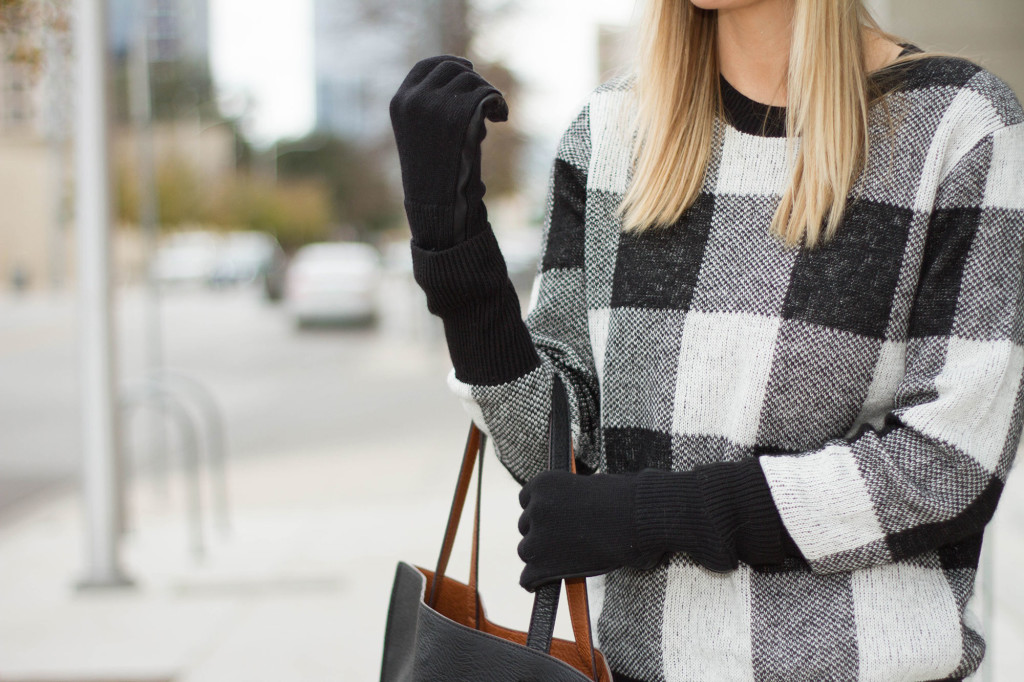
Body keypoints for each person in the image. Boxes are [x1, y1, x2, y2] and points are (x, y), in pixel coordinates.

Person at [389, 1, 1024, 680]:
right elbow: (560, 460)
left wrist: (654, 515)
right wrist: (457, 261)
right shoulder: (612, 131)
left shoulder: (957, 122)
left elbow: (947, 466)